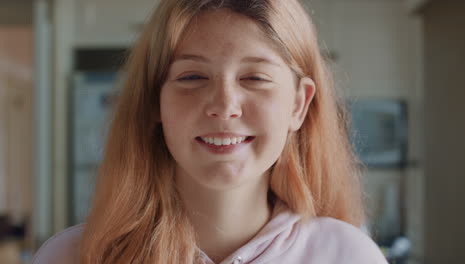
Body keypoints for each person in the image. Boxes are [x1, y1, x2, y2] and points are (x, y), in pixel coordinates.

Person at [33, 0, 389, 263]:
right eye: (192, 77)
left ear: (298, 104)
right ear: (155, 101)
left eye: (255, 78)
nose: (224, 105)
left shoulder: (349, 256)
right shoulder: (68, 257)